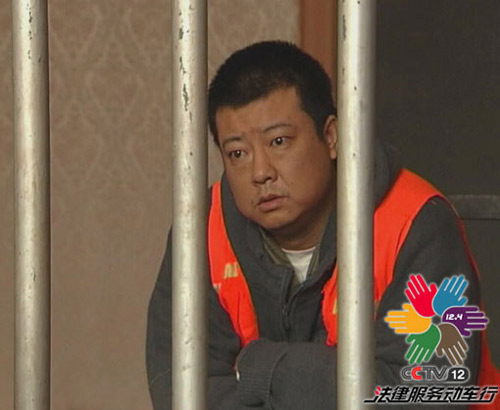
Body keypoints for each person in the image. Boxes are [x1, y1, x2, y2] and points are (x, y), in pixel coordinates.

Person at [146, 41, 497, 410]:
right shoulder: (203, 229)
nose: (260, 172)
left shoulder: (412, 222)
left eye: (278, 141)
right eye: (237, 153)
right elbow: (180, 389)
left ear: (331, 137)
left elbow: (429, 394)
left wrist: (264, 368)